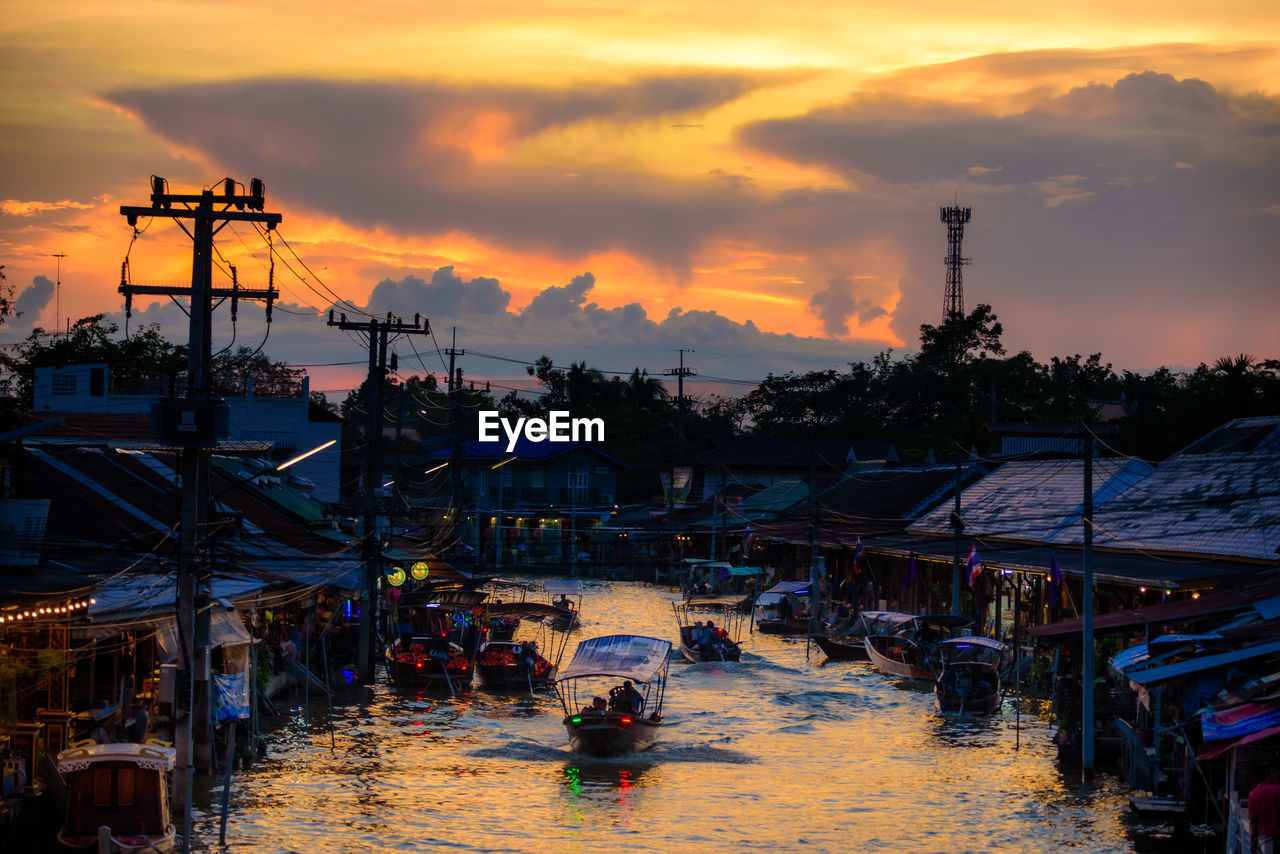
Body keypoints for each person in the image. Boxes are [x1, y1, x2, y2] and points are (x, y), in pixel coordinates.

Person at [1251, 764, 1280, 853]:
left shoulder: (1253, 794)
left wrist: (1252, 840)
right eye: (1272, 773)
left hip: (1263, 839)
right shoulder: (1278, 790)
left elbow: (1253, 820)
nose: (1275, 775)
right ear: (1267, 775)